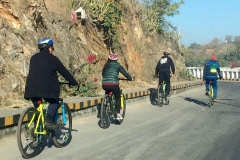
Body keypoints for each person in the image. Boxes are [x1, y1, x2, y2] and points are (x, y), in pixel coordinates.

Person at [24, 38, 78, 129]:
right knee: (54, 101)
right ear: (49, 48)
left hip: (31, 89)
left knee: (38, 107)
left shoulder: (33, 58)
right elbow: (64, 72)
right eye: (52, 48)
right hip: (46, 89)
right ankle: (48, 119)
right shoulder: (53, 59)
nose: (52, 50)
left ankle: (36, 127)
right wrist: (74, 82)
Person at [102, 53, 134, 120]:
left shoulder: (106, 65)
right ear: (116, 60)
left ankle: (106, 101)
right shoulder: (118, 65)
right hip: (114, 84)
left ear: (109, 59)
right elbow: (125, 73)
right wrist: (130, 78)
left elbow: (103, 74)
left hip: (105, 84)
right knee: (117, 97)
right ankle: (118, 114)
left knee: (107, 90)